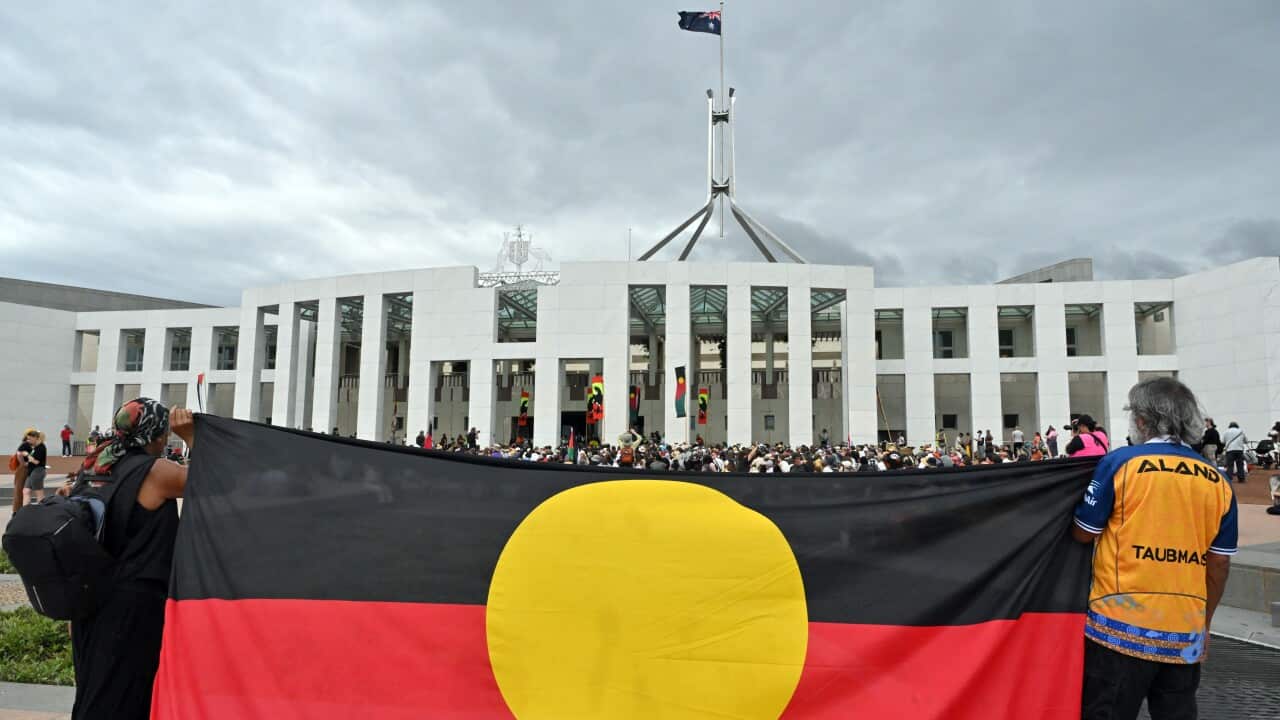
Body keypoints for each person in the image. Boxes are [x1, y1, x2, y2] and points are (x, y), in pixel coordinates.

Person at [1072, 377, 1236, 719]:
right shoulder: (1218, 480)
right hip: (1184, 632)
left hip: (1117, 627)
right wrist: (1204, 625)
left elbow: (1083, 533)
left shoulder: (1121, 463)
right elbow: (1219, 565)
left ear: (1142, 420)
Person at [67, 398, 195, 720]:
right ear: (154, 435)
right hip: (132, 606)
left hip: (89, 601)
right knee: (125, 694)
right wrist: (193, 438)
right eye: (165, 433)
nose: (166, 440)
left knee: (96, 688)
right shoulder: (155, 472)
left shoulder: (94, 468)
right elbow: (209, 481)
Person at [20, 429, 48, 506]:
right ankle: (25, 511)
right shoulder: (34, 448)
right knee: (26, 491)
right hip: (31, 471)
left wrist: (27, 455)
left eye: (30, 439)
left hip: (37, 471)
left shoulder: (41, 447)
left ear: (36, 438)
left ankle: (42, 512)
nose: (28, 440)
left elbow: (36, 462)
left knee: (39, 493)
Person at [13, 431, 33, 514]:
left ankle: (19, 510)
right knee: (20, 490)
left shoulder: (27, 444)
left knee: (22, 490)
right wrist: (23, 463)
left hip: (25, 468)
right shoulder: (26, 444)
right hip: (23, 469)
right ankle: (17, 511)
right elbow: (19, 454)